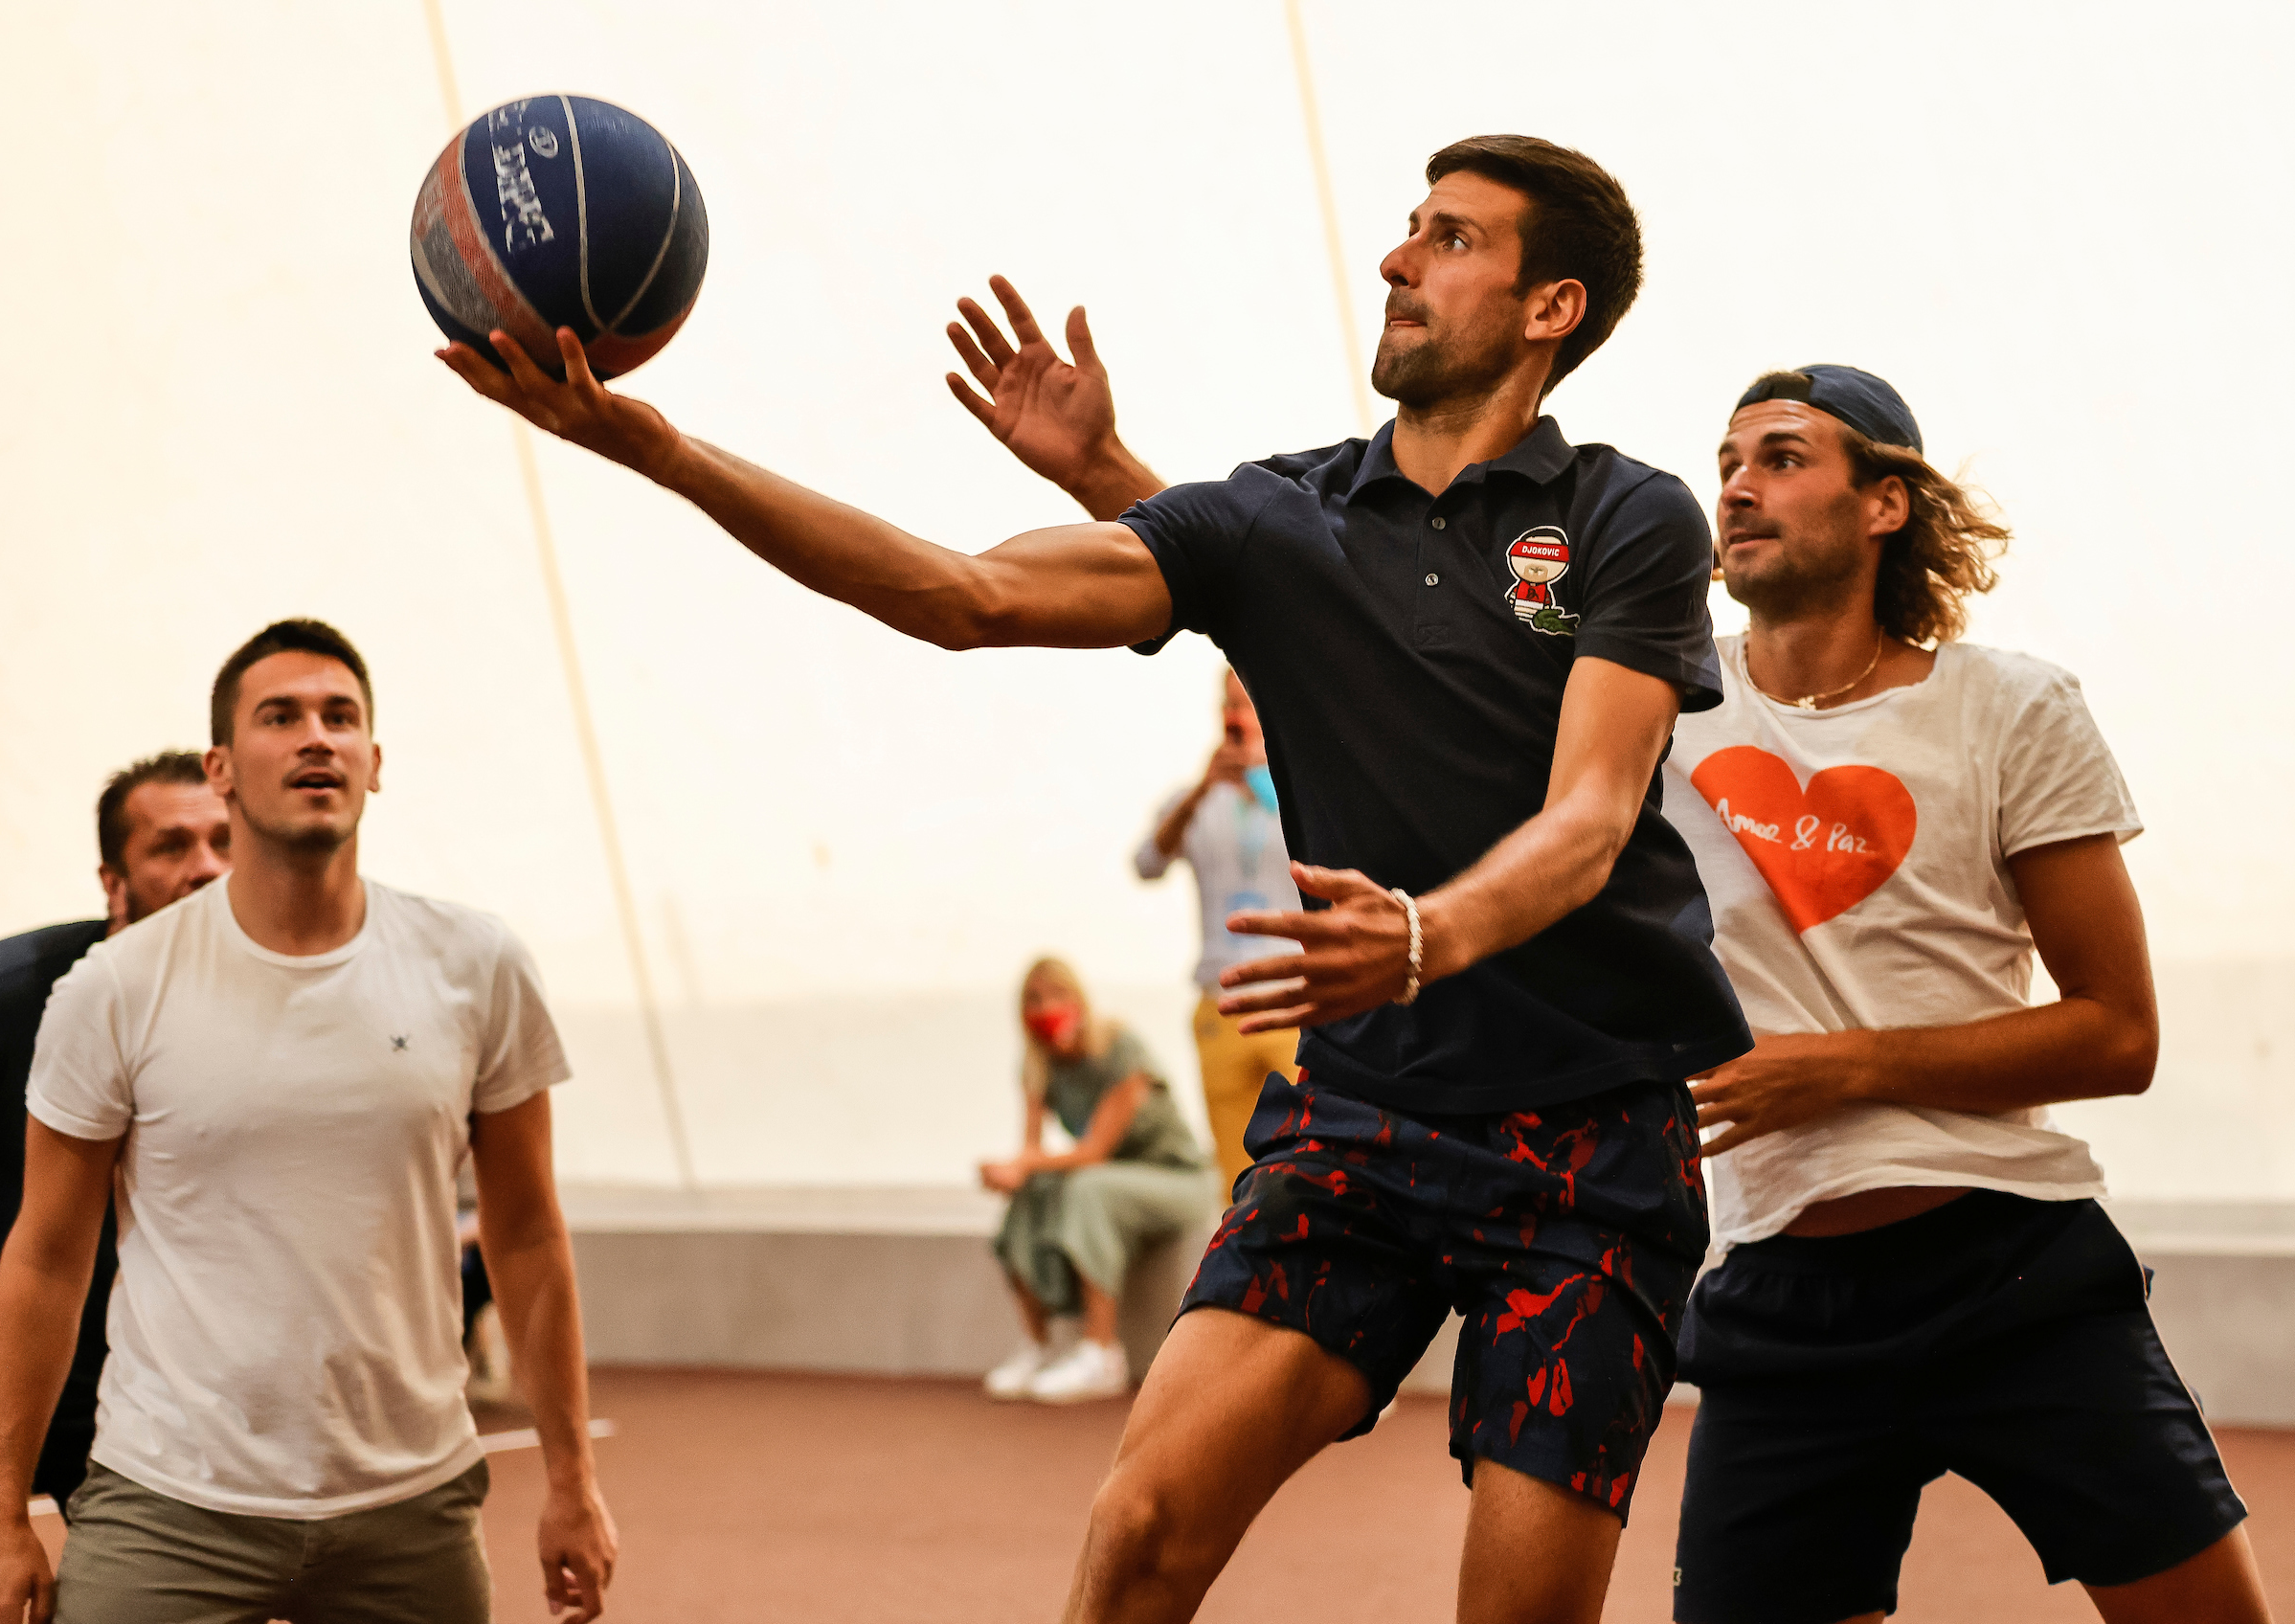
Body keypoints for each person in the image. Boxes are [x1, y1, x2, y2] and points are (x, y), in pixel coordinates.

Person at [442, 132, 1751, 1624]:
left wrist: (1421, 934)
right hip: (1369, 1125)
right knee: (1139, 1529)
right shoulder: (1273, 517)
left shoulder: (1627, 515)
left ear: (1550, 307)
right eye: (1408, 226)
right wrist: (661, 451)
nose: (1398, 257)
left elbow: (1592, 815)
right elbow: (962, 595)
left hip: (1591, 1141)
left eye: (1451, 237)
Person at [1664, 367, 2270, 1624]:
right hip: (1779, 1294)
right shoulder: (1657, 712)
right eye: (1727, 461)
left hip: (2013, 1271)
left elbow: (2120, 1033)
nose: (1737, 486)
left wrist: (1842, 1068)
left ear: (1884, 504)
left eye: (1782, 457)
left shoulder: (2010, 707)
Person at [0, 620, 618, 1624]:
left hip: (412, 1502)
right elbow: (46, 1256)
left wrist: (572, 1481)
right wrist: (2, 1513)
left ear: (375, 761)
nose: (316, 737)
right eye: (279, 717)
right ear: (223, 768)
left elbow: (529, 1233)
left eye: (340, 716)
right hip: (168, 1499)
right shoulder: (113, 988)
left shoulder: (476, 964)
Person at [0, 753, 230, 1517]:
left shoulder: (280, 999)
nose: (206, 868)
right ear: (113, 881)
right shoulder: (19, 995)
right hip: (28, 1346)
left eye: (224, 841)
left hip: (156, 1387)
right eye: (172, 847)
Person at [979, 958, 1216, 1404]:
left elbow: (1093, 1152)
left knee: (1090, 1186)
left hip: (1177, 1180)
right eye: (1034, 999)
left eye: (1057, 994)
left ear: (1079, 998)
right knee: (1031, 1194)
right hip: (1115, 1180)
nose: (1046, 1007)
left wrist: (1023, 1164)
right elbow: (1030, 1151)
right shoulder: (1036, 1064)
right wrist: (1007, 1175)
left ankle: (1102, 1354)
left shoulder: (1120, 1047)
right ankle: (1038, 1346)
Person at [1133, 671, 1302, 1193]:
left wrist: (1273, 780)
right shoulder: (1195, 798)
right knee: (1236, 1174)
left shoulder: (1300, 789)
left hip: (1293, 998)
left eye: (1247, 704)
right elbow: (1147, 863)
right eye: (1229, 704)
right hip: (1222, 1001)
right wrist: (1204, 789)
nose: (1237, 716)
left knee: (1307, 1158)